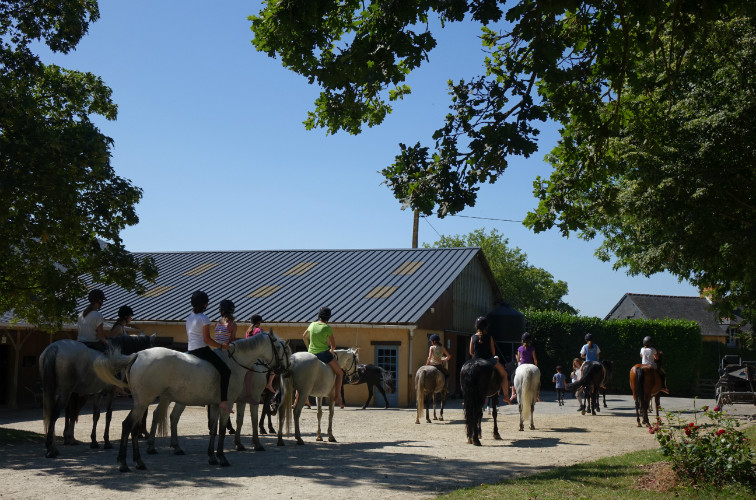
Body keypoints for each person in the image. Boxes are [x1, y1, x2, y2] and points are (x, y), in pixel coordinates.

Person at [186, 291, 233, 414]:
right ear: (205, 305)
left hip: (190, 349)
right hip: (202, 350)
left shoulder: (189, 317)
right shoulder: (204, 318)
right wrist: (222, 346)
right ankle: (223, 401)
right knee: (226, 371)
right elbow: (207, 340)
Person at [303, 306, 344, 408]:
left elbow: (304, 336)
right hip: (323, 354)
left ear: (319, 316)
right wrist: (331, 350)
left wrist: (309, 348)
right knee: (340, 373)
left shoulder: (312, 324)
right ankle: (337, 396)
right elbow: (333, 345)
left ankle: (297, 400)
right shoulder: (327, 328)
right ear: (328, 317)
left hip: (311, 354)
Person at [469, 316, 511, 404]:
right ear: (486, 327)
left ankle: (467, 397)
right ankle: (506, 396)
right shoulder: (489, 337)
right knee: (504, 374)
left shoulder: (472, 337)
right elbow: (493, 352)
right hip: (489, 360)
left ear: (476, 326)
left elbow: (471, 352)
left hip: (476, 360)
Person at [515, 332, 541, 401]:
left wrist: (517, 357)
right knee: (538, 379)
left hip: (522, 364)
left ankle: (513, 392)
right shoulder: (532, 348)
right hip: (531, 364)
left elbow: (518, 360)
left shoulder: (520, 348)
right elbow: (535, 359)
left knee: (513, 376)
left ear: (522, 340)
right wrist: (536, 366)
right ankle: (537, 394)